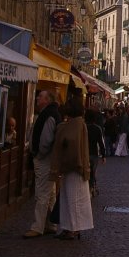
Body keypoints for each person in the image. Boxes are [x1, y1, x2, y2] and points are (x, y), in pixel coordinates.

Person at [50, 99, 93, 240]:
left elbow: (72, 145)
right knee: (69, 198)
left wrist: (67, 164)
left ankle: (73, 229)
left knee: (73, 199)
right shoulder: (76, 123)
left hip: (74, 168)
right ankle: (69, 227)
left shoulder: (75, 124)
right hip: (74, 167)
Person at [23, 90, 61, 238]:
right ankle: (51, 224)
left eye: (40, 97)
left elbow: (46, 139)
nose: (37, 98)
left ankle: (38, 227)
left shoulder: (48, 115)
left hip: (45, 159)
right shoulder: (51, 113)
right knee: (50, 193)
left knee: (42, 193)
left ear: (47, 100)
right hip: (48, 159)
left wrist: (38, 154)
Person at [85, 108, 106, 196]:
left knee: (86, 172)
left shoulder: (84, 127)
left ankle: (88, 189)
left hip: (85, 153)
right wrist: (103, 156)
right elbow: (101, 143)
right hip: (94, 153)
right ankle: (91, 188)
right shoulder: (97, 128)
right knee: (93, 172)